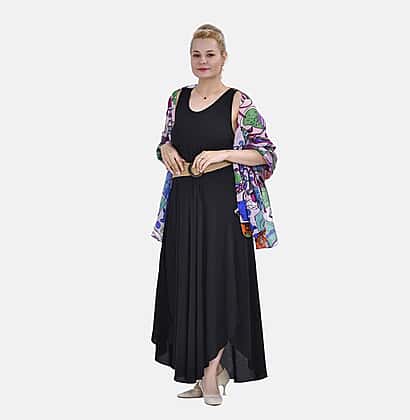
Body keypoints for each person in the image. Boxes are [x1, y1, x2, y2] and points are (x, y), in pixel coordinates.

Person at [150, 23, 278, 406]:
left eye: (210, 54)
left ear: (223, 58)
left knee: (219, 285)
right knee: (186, 284)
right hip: (184, 203)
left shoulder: (239, 101)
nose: (202, 61)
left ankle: (211, 373)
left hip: (224, 207)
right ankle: (201, 369)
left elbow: (266, 154)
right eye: (196, 54)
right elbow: (166, 141)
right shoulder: (176, 98)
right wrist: (164, 150)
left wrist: (224, 154)